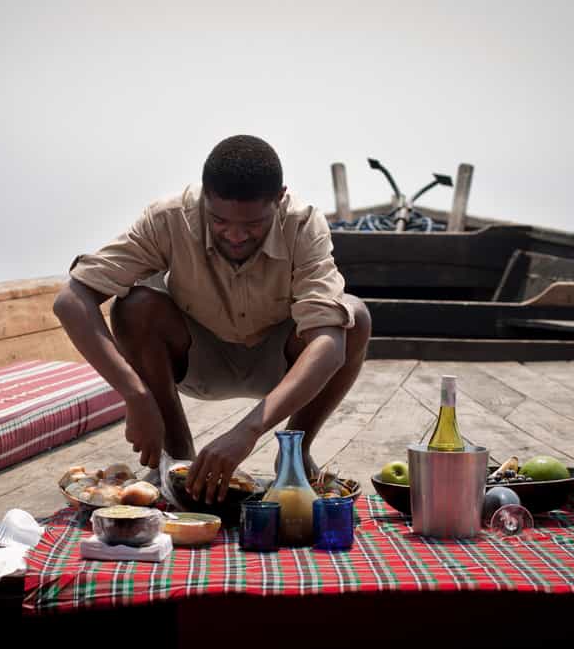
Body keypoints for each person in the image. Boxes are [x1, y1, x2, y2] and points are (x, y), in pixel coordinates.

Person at [53, 135, 371, 504]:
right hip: (196, 360)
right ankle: (176, 459)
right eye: (220, 221)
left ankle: (295, 452)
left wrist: (248, 431)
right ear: (205, 196)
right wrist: (134, 394)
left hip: (281, 364)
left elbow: (329, 348)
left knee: (353, 318)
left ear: (279, 199)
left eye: (253, 224)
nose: (235, 235)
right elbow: (71, 301)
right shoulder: (169, 218)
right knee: (134, 306)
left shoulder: (302, 225)